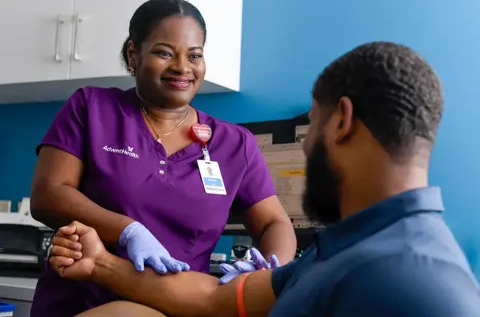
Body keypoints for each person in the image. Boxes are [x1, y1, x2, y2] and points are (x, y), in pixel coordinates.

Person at [50, 41, 480, 316]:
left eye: (311, 125)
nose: (306, 145)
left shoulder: (419, 284)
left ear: (341, 122)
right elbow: (212, 300)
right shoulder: (339, 253)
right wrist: (100, 263)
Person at [30, 0, 296, 316]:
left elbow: (273, 223)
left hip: (176, 305)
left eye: (194, 55)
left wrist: (270, 274)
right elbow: (48, 194)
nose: (182, 67)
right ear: (133, 54)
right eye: (164, 52)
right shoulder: (91, 108)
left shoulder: (234, 143)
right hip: (82, 303)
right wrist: (129, 231)